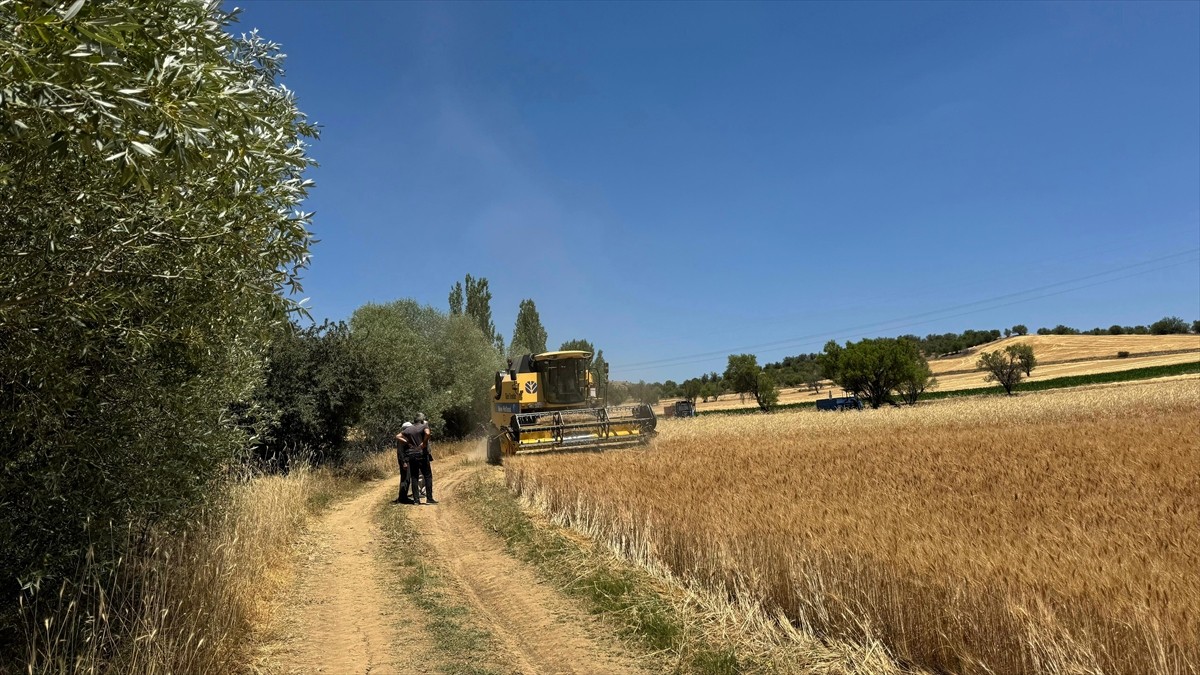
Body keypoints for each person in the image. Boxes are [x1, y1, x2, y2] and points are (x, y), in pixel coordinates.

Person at [401, 413, 437, 505]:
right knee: (428, 476)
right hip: (422, 454)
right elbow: (428, 433)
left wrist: (407, 442)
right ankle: (429, 498)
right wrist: (424, 443)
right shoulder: (424, 425)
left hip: (412, 455)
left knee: (414, 477)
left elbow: (398, 436)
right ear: (421, 420)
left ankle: (416, 500)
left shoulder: (409, 429)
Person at [393, 422, 414, 504]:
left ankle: (403, 497)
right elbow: (400, 452)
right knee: (405, 479)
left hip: (407, 461)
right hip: (405, 462)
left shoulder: (405, 438)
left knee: (407, 479)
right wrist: (404, 463)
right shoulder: (402, 439)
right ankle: (402, 498)